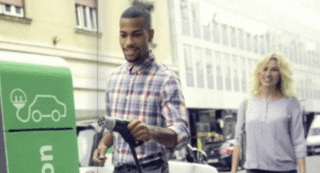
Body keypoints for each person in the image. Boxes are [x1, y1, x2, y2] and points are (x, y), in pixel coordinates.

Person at [92, 5, 190, 173]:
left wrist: (150, 131)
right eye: (123, 35)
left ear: (150, 35)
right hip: (118, 169)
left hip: (151, 169)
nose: (128, 42)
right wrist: (103, 144)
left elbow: (182, 135)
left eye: (136, 34)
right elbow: (113, 129)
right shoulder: (113, 78)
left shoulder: (167, 79)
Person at [231, 53, 307, 173]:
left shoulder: (291, 103)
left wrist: (303, 171)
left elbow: (298, 141)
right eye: (265, 69)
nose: (268, 74)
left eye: (274, 70)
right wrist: (233, 171)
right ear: (258, 73)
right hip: (254, 169)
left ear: (281, 75)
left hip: (285, 170)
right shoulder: (246, 104)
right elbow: (237, 140)